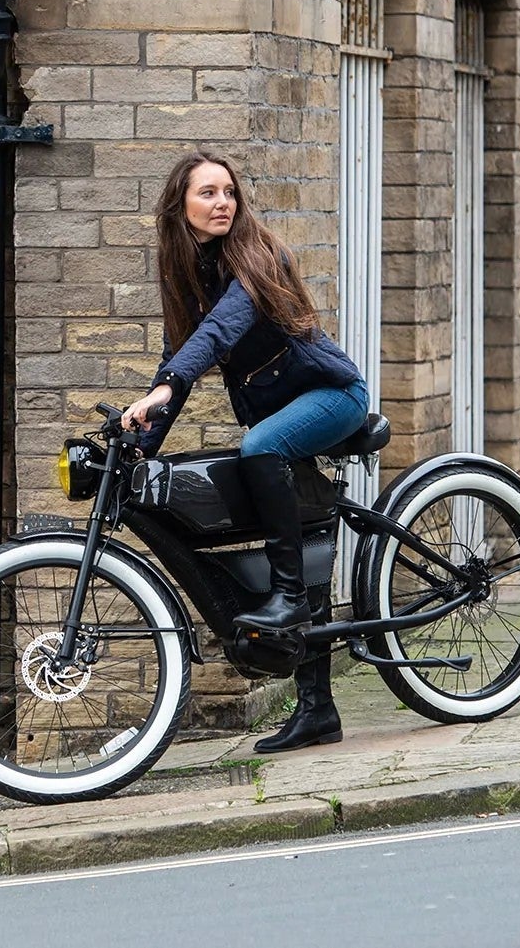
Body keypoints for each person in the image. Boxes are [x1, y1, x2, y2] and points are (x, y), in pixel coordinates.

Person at [121, 150, 369, 753]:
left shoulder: (260, 256)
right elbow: (175, 358)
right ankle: (317, 710)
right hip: (283, 414)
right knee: (297, 532)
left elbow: (217, 336)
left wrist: (167, 385)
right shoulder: (188, 274)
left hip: (333, 395)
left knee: (258, 447)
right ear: (179, 205)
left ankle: (285, 597)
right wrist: (139, 442)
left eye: (228, 191)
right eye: (208, 193)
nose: (222, 202)